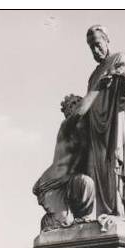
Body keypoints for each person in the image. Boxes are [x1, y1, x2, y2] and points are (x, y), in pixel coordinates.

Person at [72, 25, 125, 227]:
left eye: (97, 44)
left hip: (114, 120)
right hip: (95, 128)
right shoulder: (93, 76)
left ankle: (117, 211)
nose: (95, 50)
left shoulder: (119, 59)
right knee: (95, 169)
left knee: (114, 164)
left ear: (106, 40)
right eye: (91, 47)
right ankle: (95, 212)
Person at [33, 94, 95, 230]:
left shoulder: (89, 135)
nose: (77, 105)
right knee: (61, 226)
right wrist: (97, 89)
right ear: (68, 111)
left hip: (71, 182)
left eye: (79, 102)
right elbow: (80, 112)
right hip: (52, 185)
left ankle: (81, 216)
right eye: (74, 104)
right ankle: (52, 218)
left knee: (87, 183)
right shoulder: (66, 127)